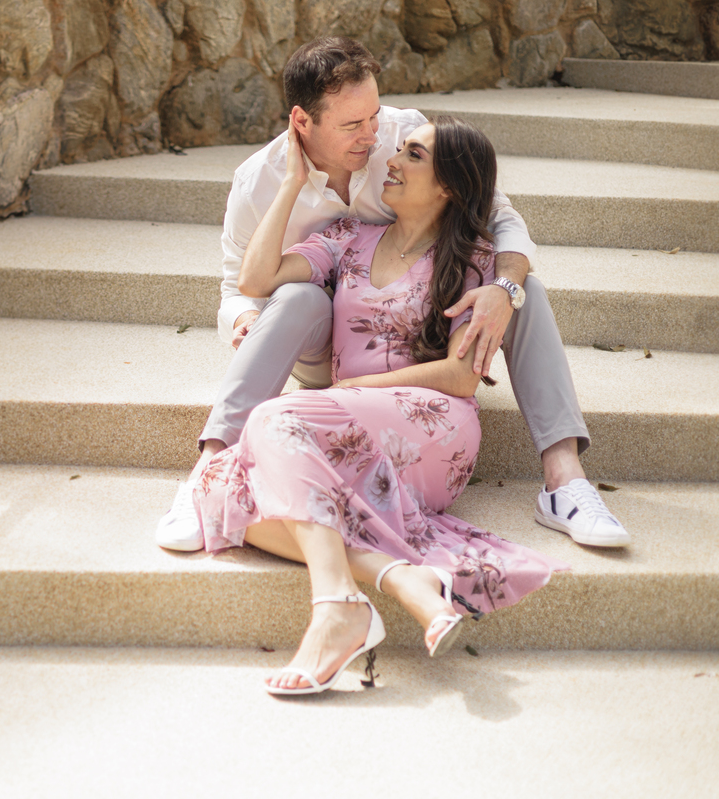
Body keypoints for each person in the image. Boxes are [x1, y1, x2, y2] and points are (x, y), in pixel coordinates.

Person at [156, 37, 629, 552]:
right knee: (296, 297)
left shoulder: (406, 135)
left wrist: (504, 286)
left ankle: (564, 480)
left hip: (416, 355)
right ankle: (210, 466)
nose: (375, 138)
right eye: (352, 125)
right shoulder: (260, 184)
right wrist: (248, 319)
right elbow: (241, 285)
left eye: (374, 116)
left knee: (522, 288)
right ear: (302, 121)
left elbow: (497, 215)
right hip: (320, 343)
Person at [196, 115, 569, 694]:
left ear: (448, 185)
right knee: (216, 486)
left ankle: (336, 609)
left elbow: (461, 377)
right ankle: (395, 578)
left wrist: (348, 392)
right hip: (344, 423)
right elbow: (255, 278)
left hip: (432, 428)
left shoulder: (475, 258)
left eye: (413, 155)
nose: (391, 161)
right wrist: (293, 181)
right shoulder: (349, 237)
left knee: (271, 419)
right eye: (399, 151)